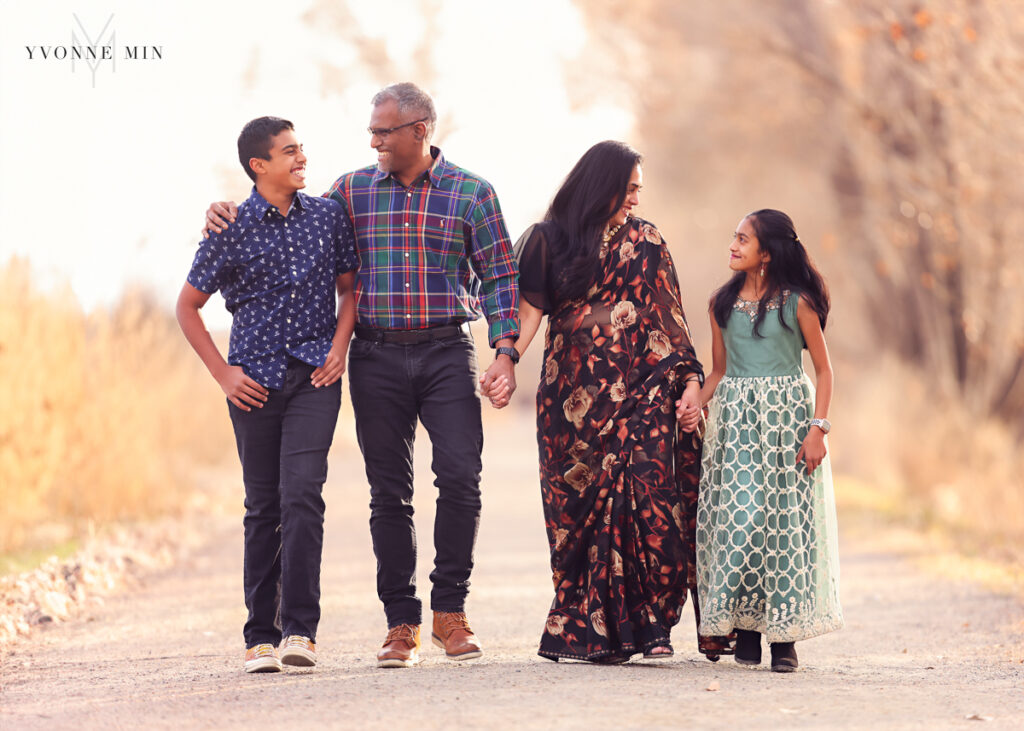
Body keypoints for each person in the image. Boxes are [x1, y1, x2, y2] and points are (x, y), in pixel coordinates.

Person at [205, 83, 520, 668]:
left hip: (448, 351)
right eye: (372, 131)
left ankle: (450, 612)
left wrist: (505, 350)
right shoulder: (349, 192)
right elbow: (283, 215)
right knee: (388, 493)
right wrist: (223, 210)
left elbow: (501, 276)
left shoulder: (473, 193)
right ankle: (401, 622)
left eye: (384, 131)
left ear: (420, 130)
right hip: (375, 358)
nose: (373, 141)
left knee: (460, 477)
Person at [485, 141, 730, 663]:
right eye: (630, 188)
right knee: (575, 512)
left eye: (641, 189)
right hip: (570, 402)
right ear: (603, 185)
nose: (637, 198)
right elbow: (529, 314)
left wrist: (689, 382)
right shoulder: (548, 240)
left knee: (652, 500)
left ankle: (651, 625)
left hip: (643, 391)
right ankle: (588, 627)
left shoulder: (648, 241)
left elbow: (669, 317)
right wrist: (506, 360)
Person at [178, 116, 359, 673]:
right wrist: (223, 375)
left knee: (303, 495)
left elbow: (349, 289)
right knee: (263, 507)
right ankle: (260, 636)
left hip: (314, 378)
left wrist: (340, 346)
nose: (301, 158)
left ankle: (300, 632)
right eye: (289, 152)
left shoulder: (328, 217)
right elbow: (187, 307)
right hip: (251, 385)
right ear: (259, 165)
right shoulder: (228, 227)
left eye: (301, 148)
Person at [693, 209, 843, 673]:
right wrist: (692, 403)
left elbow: (823, 369)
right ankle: (748, 627)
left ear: (767, 253)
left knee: (782, 527)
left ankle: (783, 639)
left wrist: (818, 428)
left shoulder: (796, 304)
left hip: (788, 424)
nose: (733, 246)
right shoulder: (721, 303)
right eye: (733, 237)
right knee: (743, 518)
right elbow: (718, 370)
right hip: (736, 424)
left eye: (743, 239)